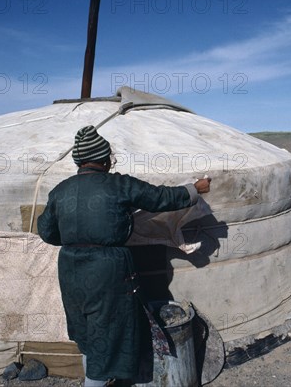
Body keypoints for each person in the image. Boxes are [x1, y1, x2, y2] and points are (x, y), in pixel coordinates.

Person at [37, 125, 211, 387]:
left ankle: (94, 376)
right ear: (105, 159)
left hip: (70, 269)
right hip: (107, 271)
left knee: (86, 330)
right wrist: (195, 189)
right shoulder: (119, 185)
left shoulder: (60, 191)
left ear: (79, 161)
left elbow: (47, 232)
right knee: (109, 333)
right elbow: (160, 197)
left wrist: (80, 239)